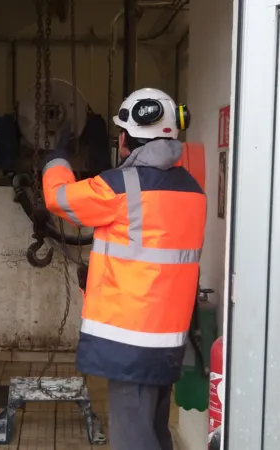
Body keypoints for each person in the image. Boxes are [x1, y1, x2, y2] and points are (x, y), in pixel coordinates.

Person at [41, 88, 206, 450]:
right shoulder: (192, 191)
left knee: (133, 440)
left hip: (132, 341)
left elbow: (59, 198)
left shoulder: (119, 188)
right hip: (169, 339)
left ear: (124, 138)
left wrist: (56, 158)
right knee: (155, 432)